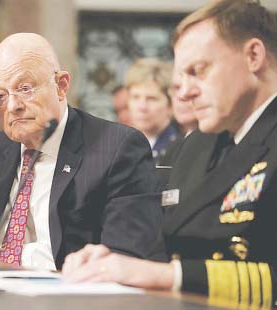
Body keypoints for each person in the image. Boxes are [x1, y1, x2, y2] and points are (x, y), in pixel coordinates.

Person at [62, 0, 277, 308]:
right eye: (181, 77)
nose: (186, 92)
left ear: (253, 55)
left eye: (198, 71)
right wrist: (114, 258)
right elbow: (164, 240)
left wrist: (168, 276)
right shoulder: (191, 147)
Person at [0, 33, 165, 270]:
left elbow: (127, 255)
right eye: (0, 95)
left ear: (61, 85)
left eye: (25, 88)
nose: (12, 106)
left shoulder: (115, 149)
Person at [125, 58, 180, 164]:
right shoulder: (121, 146)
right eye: (135, 97)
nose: (142, 107)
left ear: (170, 104)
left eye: (151, 98)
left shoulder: (179, 150)